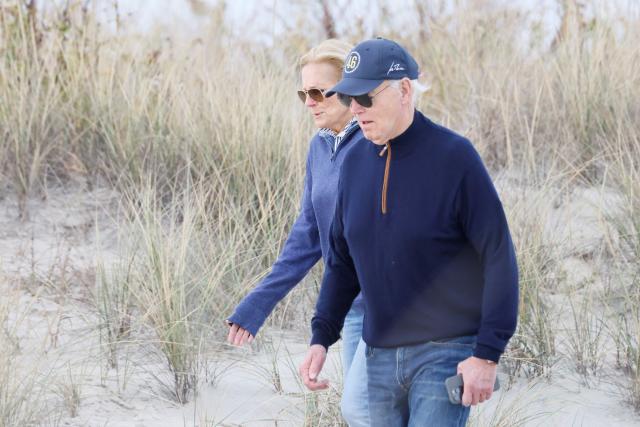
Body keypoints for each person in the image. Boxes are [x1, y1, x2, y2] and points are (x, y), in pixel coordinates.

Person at [299, 37, 519, 427]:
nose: (355, 109)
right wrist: (322, 335)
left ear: (404, 90)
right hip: (378, 354)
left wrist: (487, 353)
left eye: (365, 98)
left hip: (444, 351)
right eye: (349, 98)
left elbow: (498, 256)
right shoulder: (352, 165)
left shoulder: (455, 158)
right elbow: (342, 262)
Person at [225, 39, 370, 426]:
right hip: (352, 310)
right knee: (362, 412)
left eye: (319, 91)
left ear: (350, 88)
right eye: (303, 92)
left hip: (393, 307)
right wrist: (258, 302)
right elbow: (307, 236)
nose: (310, 101)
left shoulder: (376, 143)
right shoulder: (319, 148)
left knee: (365, 410)